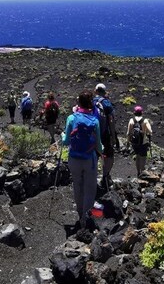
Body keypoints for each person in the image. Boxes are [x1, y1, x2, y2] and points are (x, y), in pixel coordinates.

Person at [62, 91, 103, 229]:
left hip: (74, 158)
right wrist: (102, 152)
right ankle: (86, 215)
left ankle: (80, 214)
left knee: (77, 186)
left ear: (78, 102)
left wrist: (62, 136)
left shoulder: (71, 118)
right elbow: (98, 145)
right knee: (90, 188)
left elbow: (66, 141)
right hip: (89, 160)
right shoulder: (95, 121)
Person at [93, 83, 119, 189]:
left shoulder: (90, 101)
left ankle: (91, 178)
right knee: (108, 156)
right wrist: (113, 136)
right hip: (105, 134)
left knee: (94, 156)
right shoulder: (106, 103)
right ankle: (105, 176)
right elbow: (111, 120)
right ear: (104, 92)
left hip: (92, 134)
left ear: (95, 91)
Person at [126, 105, 153, 176]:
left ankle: (138, 172)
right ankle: (142, 172)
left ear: (134, 112)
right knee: (143, 158)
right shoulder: (145, 121)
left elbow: (128, 133)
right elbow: (150, 131)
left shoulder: (131, 120)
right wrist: (146, 132)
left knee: (137, 157)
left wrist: (128, 142)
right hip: (143, 143)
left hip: (134, 143)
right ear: (142, 112)